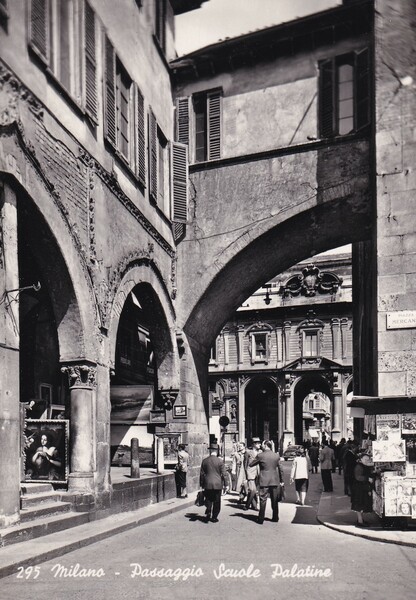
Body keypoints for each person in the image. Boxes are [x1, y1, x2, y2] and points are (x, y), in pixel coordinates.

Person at [249, 440, 284, 524]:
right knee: (274, 500)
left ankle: (261, 519)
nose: (261, 446)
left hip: (264, 480)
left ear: (265, 446)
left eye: (262, 445)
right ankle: (275, 517)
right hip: (274, 480)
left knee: (262, 499)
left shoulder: (260, 455)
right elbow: (280, 469)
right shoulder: (276, 455)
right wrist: (282, 480)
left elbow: (251, 464)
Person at [199, 442, 229, 523]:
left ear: (210, 450)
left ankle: (208, 510)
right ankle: (214, 517)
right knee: (217, 500)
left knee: (208, 498)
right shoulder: (220, 461)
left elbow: (202, 474)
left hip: (207, 483)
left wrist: (201, 484)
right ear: (217, 451)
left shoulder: (204, 461)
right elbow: (224, 474)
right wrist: (226, 484)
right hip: (217, 484)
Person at [351, 452, 374, 526]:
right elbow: (358, 477)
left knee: (361, 504)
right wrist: (367, 479)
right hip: (359, 488)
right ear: (361, 459)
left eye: (368, 459)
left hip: (361, 488)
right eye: (365, 459)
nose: (367, 461)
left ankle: (360, 520)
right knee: (359, 504)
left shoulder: (363, 466)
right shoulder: (359, 467)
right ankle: (360, 521)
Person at [243, 437, 261, 511]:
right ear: (253, 444)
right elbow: (245, 463)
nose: (259, 444)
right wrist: (245, 474)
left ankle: (254, 506)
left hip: (258, 472)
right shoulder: (248, 452)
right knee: (252, 490)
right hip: (250, 472)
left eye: (259, 443)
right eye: (257, 443)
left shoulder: (260, 452)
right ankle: (247, 505)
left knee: (255, 491)